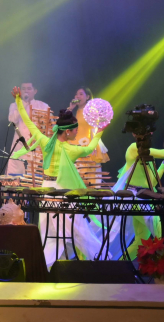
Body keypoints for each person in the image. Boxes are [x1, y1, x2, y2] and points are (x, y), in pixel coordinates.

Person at [9, 87, 106, 267]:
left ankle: (42, 267)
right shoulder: (71, 149)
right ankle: (103, 262)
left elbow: (29, 123)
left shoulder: (46, 142)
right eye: (75, 130)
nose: (77, 133)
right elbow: (89, 147)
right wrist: (100, 130)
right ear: (67, 132)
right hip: (62, 192)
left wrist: (18, 100)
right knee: (78, 231)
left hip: (48, 189)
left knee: (51, 232)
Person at [7, 82, 50, 176]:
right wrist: (23, 103)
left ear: (35, 91)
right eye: (23, 88)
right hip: (19, 145)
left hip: (36, 147)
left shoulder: (43, 106)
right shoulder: (14, 105)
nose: (26, 91)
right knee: (15, 178)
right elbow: (13, 120)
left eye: (29, 88)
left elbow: (49, 126)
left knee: (35, 179)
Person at [68, 87, 110, 167]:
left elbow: (98, 126)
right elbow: (63, 123)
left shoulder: (91, 110)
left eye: (81, 94)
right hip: (76, 144)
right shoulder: (76, 111)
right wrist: (70, 108)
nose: (77, 96)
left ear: (87, 97)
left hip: (87, 144)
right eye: (76, 94)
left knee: (88, 174)